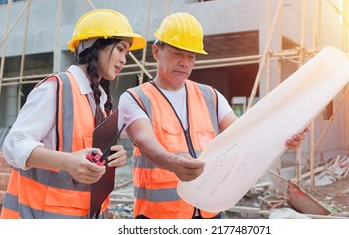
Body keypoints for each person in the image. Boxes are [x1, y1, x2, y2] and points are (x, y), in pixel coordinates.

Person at [118, 12, 308, 219]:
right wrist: (172, 163)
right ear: (156, 51)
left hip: (208, 212)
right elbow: (144, 141)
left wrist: (283, 136)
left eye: (190, 56)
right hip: (159, 216)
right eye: (176, 54)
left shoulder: (210, 96)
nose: (184, 63)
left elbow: (243, 135)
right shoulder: (135, 98)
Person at [0, 9, 146, 219]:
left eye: (127, 53)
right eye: (120, 49)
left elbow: (86, 152)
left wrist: (113, 158)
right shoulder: (56, 88)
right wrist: (67, 162)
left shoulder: (101, 101)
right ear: (95, 47)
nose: (124, 60)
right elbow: (14, 146)